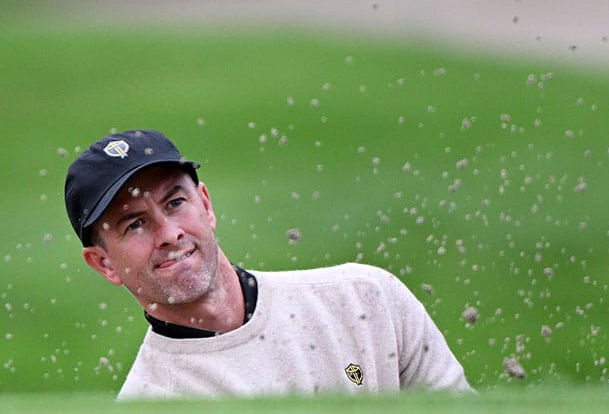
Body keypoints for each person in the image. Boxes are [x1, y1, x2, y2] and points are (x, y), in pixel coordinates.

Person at [64, 129, 473, 400]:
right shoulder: (155, 400)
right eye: (135, 224)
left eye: (175, 202)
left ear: (205, 204)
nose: (169, 233)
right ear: (104, 264)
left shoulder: (365, 299)